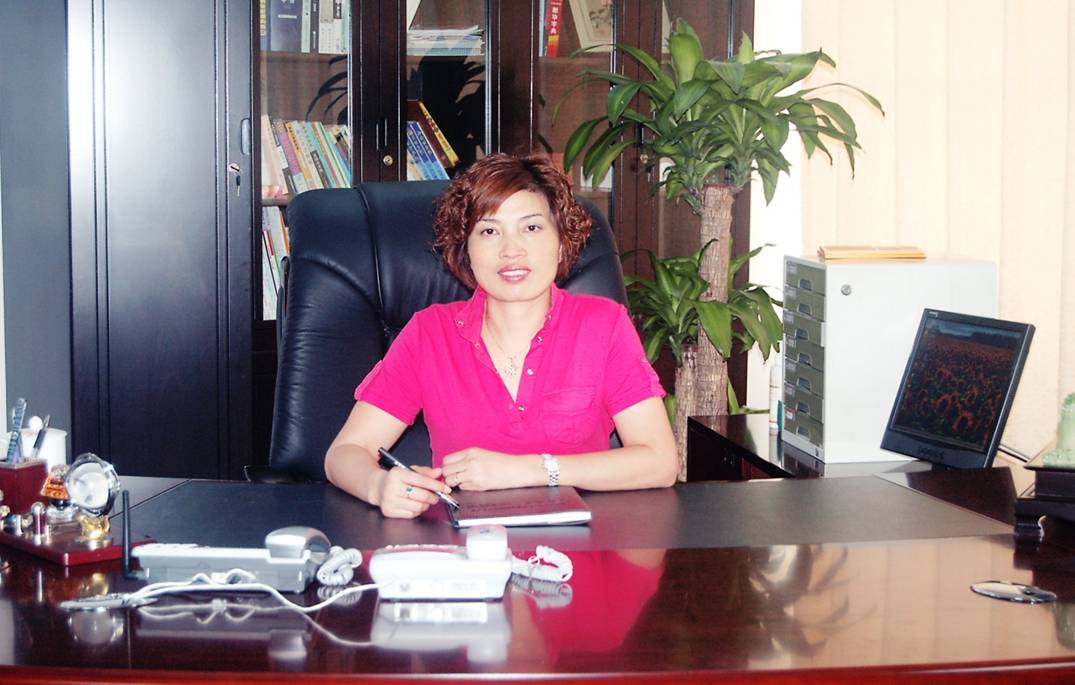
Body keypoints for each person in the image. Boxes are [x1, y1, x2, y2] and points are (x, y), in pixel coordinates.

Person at [325, 153, 677, 518]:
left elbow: (660, 462)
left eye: (531, 228)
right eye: (489, 231)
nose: (511, 250)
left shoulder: (603, 325)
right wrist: (379, 485)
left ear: (561, 243)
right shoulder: (429, 334)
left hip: (582, 541)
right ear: (466, 249)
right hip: (468, 547)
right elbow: (344, 453)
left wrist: (528, 470)